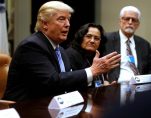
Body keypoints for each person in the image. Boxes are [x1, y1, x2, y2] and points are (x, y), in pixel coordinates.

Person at [3, 1, 120, 101]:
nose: (68, 24)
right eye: (61, 19)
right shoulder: (32, 46)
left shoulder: (61, 51)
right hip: (26, 109)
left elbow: (68, 82)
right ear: (45, 24)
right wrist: (92, 71)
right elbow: (52, 82)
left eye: (68, 20)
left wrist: (101, 86)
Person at [103, 6, 151, 83]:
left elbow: (149, 69)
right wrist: (104, 80)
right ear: (120, 21)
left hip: (140, 85)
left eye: (134, 20)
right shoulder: (106, 39)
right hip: (115, 85)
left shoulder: (144, 44)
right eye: (127, 19)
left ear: (138, 24)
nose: (130, 22)